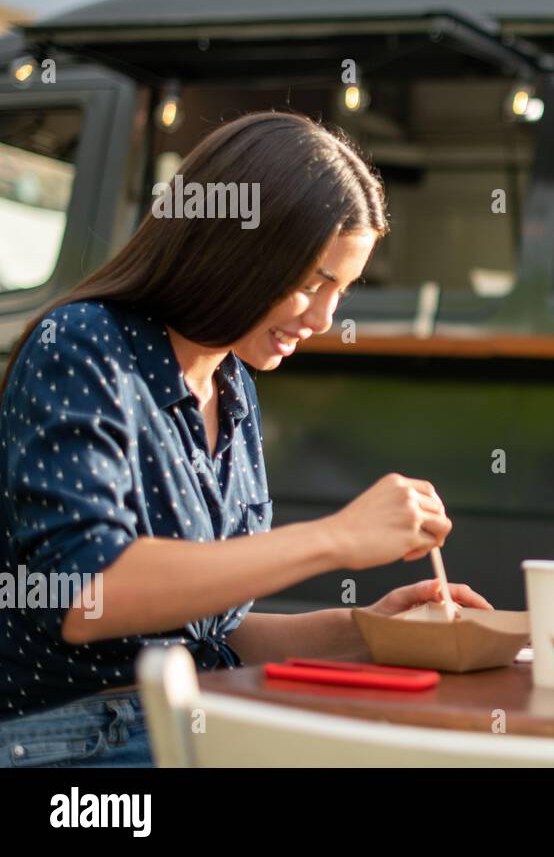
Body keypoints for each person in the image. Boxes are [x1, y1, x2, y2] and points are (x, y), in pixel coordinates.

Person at [0, 112, 490, 768]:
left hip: (184, 719)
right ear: (238, 249)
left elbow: (210, 639)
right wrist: (335, 537)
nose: (324, 319)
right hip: (69, 744)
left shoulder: (230, 386)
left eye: (342, 290)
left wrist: (367, 632)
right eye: (314, 283)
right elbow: (88, 596)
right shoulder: (85, 346)